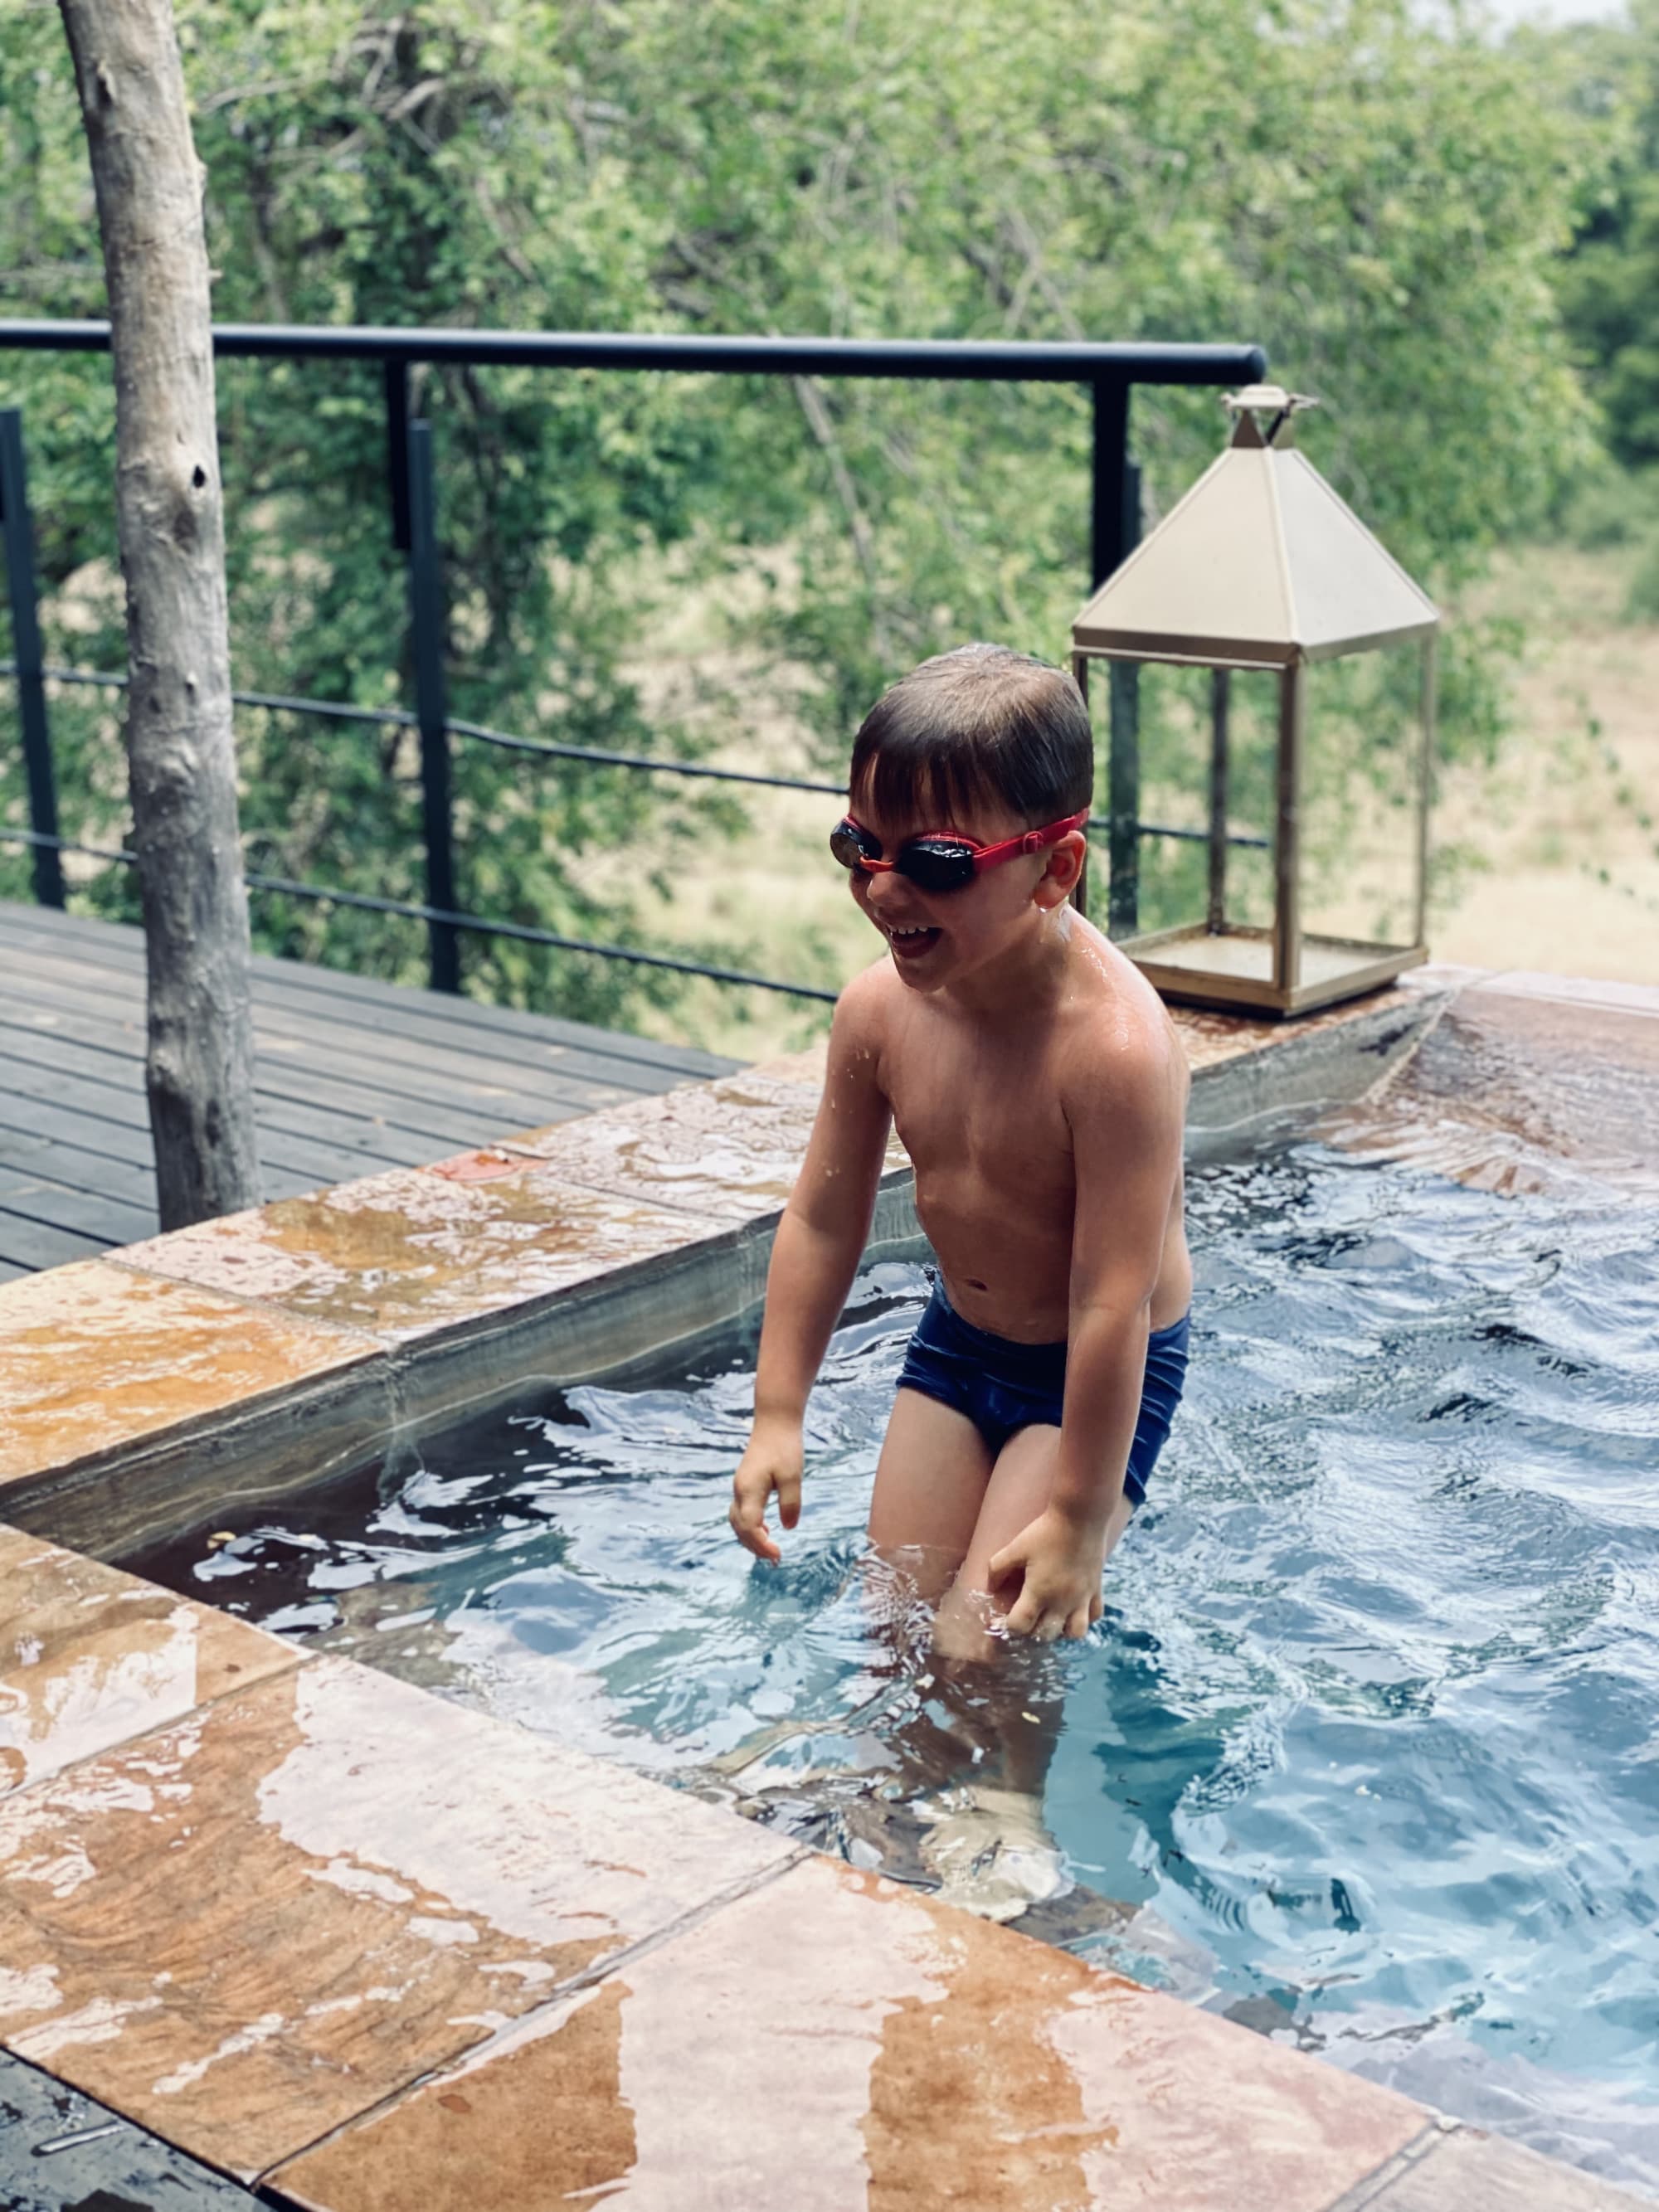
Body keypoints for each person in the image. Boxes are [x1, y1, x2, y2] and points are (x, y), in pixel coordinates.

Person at [728, 641, 1192, 1666]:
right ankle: (878, 1802)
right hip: (960, 1342)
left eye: (933, 862)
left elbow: (1109, 1300)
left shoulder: (1113, 1054)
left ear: (1053, 868)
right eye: (861, 846)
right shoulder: (877, 1016)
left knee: (983, 1638)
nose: (884, 888)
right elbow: (822, 1214)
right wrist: (776, 1411)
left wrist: (1075, 1519)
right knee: (890, 1619)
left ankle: (1009, 1809)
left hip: (1093, 1365)